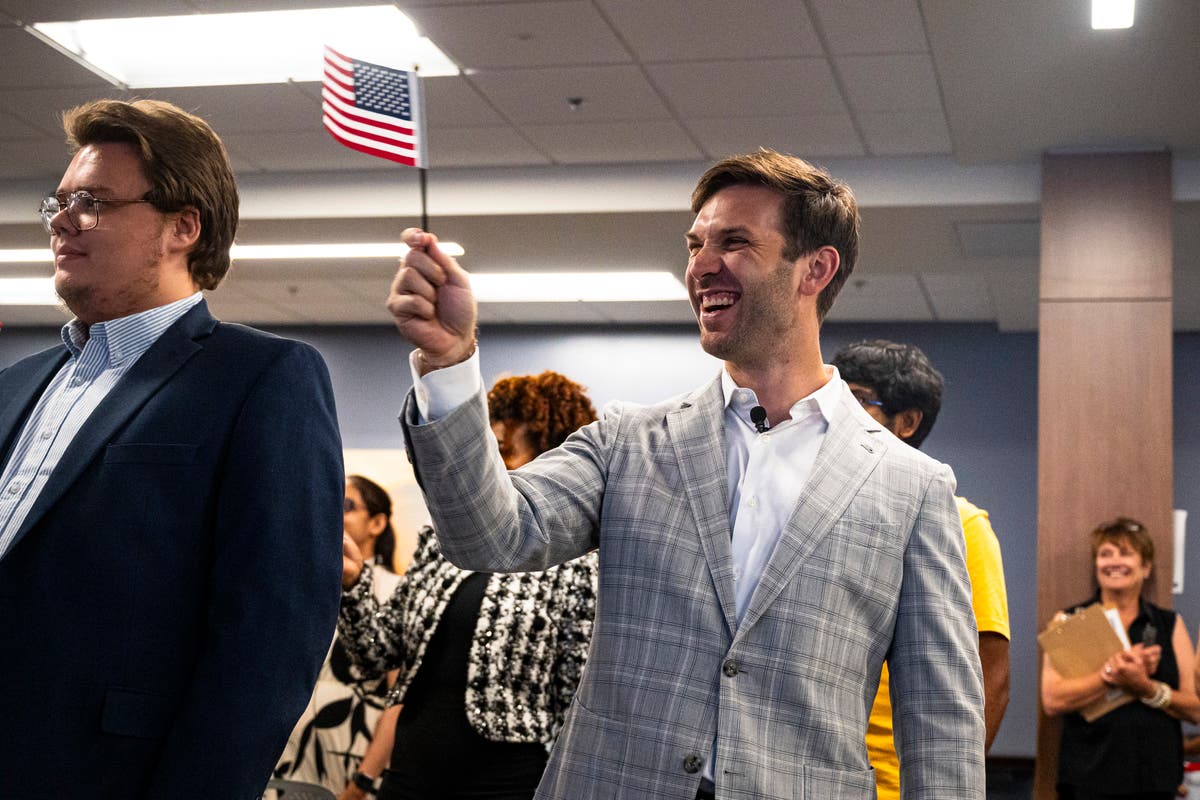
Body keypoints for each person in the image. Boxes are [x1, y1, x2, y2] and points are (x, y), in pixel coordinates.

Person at [386, 149, 985, 798]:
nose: (700, 265)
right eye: (696, 244)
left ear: (815, 268)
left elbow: (942, 726)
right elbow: (489, 537)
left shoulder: (913, 488)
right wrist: (448, 362)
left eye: (734, 242)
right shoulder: (629, 442)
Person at [0, 99, 343, 798]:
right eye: (60, 203)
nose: (62, 221)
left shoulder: (261, 378)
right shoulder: (16, 385)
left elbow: (271, 639)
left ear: (184, 226)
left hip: (103, 774)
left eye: (93, 203)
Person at [339, 371, 600, 800]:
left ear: (551, 458)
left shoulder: (577, 561)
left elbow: (576, 699)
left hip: (507, 784)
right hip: (411, 773)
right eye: (488, 452)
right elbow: (373, 657)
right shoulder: (442, 541)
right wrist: (353, 585)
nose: (492, 467)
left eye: (505, 451)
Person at [830, 339, 1011, 797]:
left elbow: (992, 676)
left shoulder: (962, 524)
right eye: (835, 399)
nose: (838, 416)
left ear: (907, 422)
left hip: (896, 784)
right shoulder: (820, 512)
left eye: (859, 400)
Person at [1042, 517, 1200, 799]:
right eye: (1105, 554)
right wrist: (1112, 676)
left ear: (1146, 567)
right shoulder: (1068, 620)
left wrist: (1146, 687)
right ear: (1096, 565)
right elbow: (1053, 700)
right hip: (1087, 778)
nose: (1114, 562)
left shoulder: (1169, 624)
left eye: (1125, 553)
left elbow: (1195, 710)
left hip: (1155, 780)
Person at [275, 475, 403, 796]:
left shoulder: (395, 590)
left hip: (352, 759)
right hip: (287, 758)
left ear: (377, 523)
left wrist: (362, 781)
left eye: (346, 505)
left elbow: (400, 696)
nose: (332, 510)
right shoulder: (300, 584)